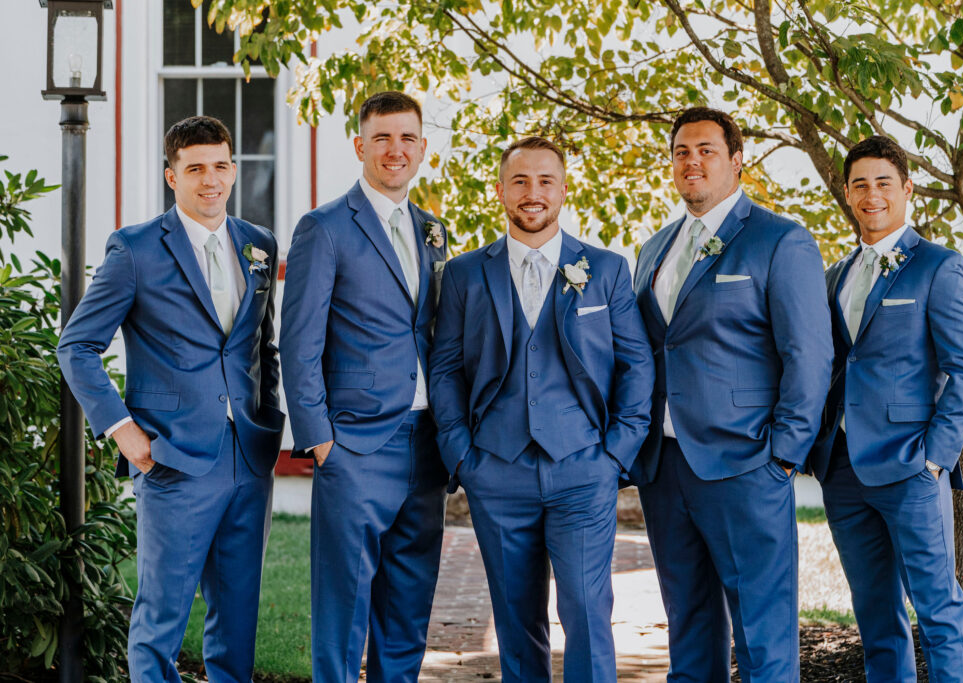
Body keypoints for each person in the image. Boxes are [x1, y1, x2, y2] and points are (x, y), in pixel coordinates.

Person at [57, 115, 283, 682]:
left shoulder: (258, 245)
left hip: (248, 457)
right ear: (171, 176)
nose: (212, 180)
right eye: (196, 168)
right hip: (172, 458)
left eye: (221, 166)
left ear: (234, 170)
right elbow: (77, 346)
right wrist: (125, 433)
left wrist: (271, 419)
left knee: (238, 620)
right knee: (160, 621)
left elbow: (263, 345)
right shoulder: (135, 250)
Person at [429, 136, 654, 683]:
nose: (533, 193)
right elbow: (445, 369)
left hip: (582, 469)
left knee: (585, 611)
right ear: (501, 190)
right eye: (521, 181)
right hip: (495, 471)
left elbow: (637, 365)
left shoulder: (605, 269)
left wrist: (615, 456)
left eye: (545, 181)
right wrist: (462, 456)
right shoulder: (463, 273)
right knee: (515, 618)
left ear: (564, 189)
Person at [630, 106, 833, 682]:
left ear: (737, 161)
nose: (691, 162)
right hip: (666, 466)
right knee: (689, 627)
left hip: (748, 463)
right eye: (681, 152)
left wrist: (785, 453)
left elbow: (809, 353)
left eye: (706, 150)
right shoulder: (655, 248)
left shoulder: (779, 240)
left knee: (764, 639)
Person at [280, 91, 449, 683]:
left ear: (423, 148)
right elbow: (298, 343)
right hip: (354, 447)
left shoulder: (434, 229)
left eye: (407, 138)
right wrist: (320, 441)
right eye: (382, 138)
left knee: (407, 609)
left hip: (425, 446)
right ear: (360, 146)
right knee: (343, 612)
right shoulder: (324, 228)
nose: (395, 150)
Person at [809, 135, 963, 683]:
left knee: (938, 611)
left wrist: (934, 458)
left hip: (911, 468)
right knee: (875, 617)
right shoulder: (835, 274)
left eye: (884, 182)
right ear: (847, 191)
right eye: (860, 183)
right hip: (842, 470)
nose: (872, 194)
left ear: (906, 189)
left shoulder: (940, 266)